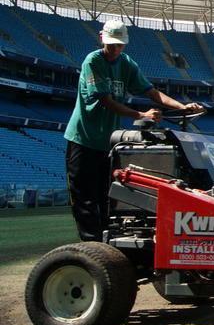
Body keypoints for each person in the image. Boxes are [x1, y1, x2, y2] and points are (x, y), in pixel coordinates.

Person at [64, 20, 205, 241]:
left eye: (119, 45)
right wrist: (141, 115)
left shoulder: (126, 63)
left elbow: (151, 92)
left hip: (108, 143)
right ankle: (92, 245)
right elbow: (104, 100)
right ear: (102, 39)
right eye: (112, 44)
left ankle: (107, 241)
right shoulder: (93, 61)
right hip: (83, 139)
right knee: (84, 197)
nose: (115, 49)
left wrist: (181, 106)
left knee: (105, 195)